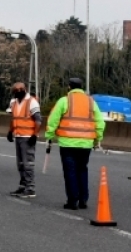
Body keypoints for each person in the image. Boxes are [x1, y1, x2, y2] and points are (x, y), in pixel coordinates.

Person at [45, 77, 105, 210]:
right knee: (82, 170)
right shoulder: (91, 102)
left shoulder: (64, 100)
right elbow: (100, 122)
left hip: (68, 144)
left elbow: (52, 120)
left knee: (70, 172)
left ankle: (73, 201)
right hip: (86, 144)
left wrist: (49, 136)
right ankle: (83, 200)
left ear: (69, 87)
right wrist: (97, 139)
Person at [6, 82, 42, 198]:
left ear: (25, 89)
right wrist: (10, 131)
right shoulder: (14, 102)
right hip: (18, 135)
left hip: (28, 137)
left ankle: (30, 188)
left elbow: (38, 120)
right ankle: (23, 186)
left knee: (28, 164)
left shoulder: (31, 101)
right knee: (20, 164)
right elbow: (13, 118)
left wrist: (35, 135)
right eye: (16, 89)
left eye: (20, 89)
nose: (18, 91)